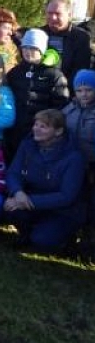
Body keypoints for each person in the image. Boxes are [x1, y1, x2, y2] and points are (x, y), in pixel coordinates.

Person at [4, 109, 86, 253]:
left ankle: (64, 240)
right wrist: (17, 192)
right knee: (8, 209)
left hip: (63, 211)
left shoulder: (74, 158)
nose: (37, 129)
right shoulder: (27, 145)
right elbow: (13, 172)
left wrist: (29, 201)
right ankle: (26, 235)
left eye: (43, 126)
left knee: (43, 240)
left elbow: (66, 196)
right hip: (30, 199)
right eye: (36, 124)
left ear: (58, 131)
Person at [5, 28, 69, 160]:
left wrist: (47, 127)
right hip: (15, 130)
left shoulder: (54, 75)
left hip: (41, 132)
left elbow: (61, 105)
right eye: (25, 47)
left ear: (41, 50)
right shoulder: (15, 73)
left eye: (33, 48)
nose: (28, 52)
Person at [62, 69, 95, 252]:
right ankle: (70, 235)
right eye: (80, 90)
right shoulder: (69, 109)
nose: (84, 94)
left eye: (89, 90)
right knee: (75, 200)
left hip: (92, 165)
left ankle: (90, 239)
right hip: (73, 164)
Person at [42, 0, 91, 86]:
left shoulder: (80, 37)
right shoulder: (38, 34)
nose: (53, 17)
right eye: (49, 13)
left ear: (69, 15)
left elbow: (79, 70)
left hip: (66, 90)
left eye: (58, 14)